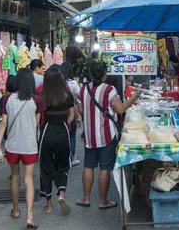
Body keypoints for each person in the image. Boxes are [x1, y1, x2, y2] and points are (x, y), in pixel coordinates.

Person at [77, 61, 141, 209]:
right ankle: (102, 201)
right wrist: (133, 98)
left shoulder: (84, 89)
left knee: (88, 165)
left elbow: (80, 110)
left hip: (90, 135)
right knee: (105, 168)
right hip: (106, 134)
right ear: (105, 74)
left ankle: (86, 198)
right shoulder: (109, 90)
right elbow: (120, 109)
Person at [0, 68, 45, 230]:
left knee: (15, 177)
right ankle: (30, 217)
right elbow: (36, 124)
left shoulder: (8, 99)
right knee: (29, 179)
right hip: (29, 145)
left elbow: (3, 123)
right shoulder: (37, 101)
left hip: (12, 145)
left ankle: (16, 210)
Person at [39, 65, 75, 215]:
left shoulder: (42, 95)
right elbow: (72, 116)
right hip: (62, 130)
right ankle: (61, 194)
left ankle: (48, 204)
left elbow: (38, 117)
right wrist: (64, 124)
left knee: (46, 166)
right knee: (63, 164)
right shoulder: (67, 94)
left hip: (47, 130)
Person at [61, 61, 82, 166]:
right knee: (72, 136)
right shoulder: (73, 84)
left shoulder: (57, 83)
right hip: (71, 113)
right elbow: (76, 101)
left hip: (59, 113)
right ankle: (72, 158)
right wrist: (78, 116)